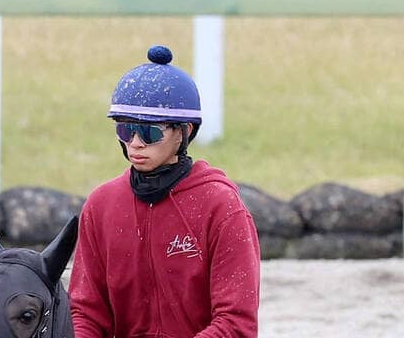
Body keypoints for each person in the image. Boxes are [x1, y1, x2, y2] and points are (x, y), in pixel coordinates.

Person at [69, 45, 261, 337]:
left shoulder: (222, 207)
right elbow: (86, 313)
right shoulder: (100, 206)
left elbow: (236, 323)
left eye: (149, 132)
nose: (134, 143)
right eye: (125, 129)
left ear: (184, 131)